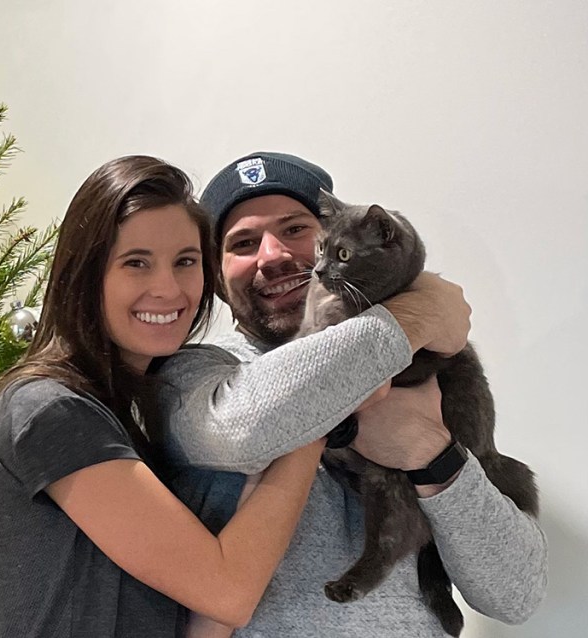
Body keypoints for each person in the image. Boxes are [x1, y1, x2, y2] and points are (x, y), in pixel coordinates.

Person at [0, 155, 471, 637]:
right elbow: (228, 591)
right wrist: (331, 404)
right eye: (136, 263)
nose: (168, 288)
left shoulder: (130, 415)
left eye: (184, 261)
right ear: (85, 274)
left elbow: (201, 623)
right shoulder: (49, 410)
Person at [155, 152, 548, 637]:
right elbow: (241, 429)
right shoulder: (194, 373)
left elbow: (514, 594)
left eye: (296, 229)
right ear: (215, 273)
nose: (273, 255)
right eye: (243, 242)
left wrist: (433, 456)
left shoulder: (433, 368)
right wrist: (423, 310)